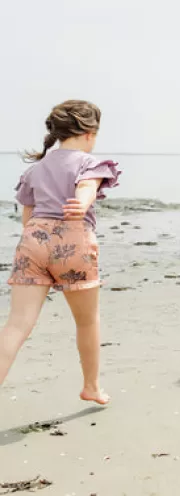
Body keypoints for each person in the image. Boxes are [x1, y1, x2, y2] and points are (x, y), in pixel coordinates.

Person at [0, 100, 120, 405]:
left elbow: (28, 218)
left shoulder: (35, 169)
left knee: (17, 324)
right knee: (87, 320)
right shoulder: (89, 163)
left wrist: (40, 238)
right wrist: (80, 203)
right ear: (90, 133)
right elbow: (87, 187)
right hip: (72, 240)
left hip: (34, 240)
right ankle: (91, 386)